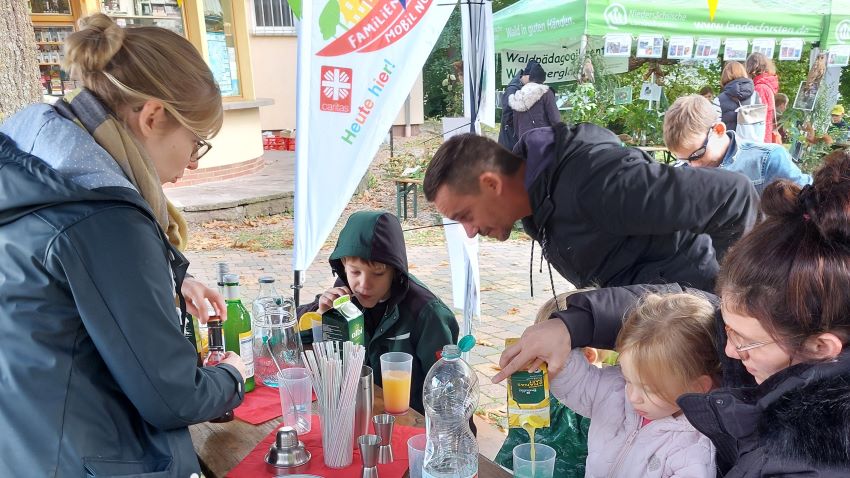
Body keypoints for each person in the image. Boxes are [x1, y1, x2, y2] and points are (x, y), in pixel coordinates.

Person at [494, 150, 850, 475]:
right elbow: (684, 307)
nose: (726, 350)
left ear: (821, 349)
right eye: (728, 328)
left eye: (745, 342)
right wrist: (572, 326)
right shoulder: (769, 336)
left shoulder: (814, 458)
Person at [0, 14, 245, 477]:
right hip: (91, 455)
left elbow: (67, 277)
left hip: (27, 443)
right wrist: (231, 375)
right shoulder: (106, 218)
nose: (192, 163)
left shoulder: (34, 158)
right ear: (153, 116)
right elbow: (174, 395)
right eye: (196, 142)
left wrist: (174, 277)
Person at [423, 124, 759, 292]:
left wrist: (729, 304)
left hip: (698, 320)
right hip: (653, 327)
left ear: (491, 184)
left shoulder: (598, 182)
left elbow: (733, 195)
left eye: (465, 216)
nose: (469, 231)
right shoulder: (538, 201)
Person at [297, 211, 458, 415]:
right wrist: (321, 315)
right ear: (343, 265)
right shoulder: (342, 295)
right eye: (355, 272)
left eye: (378, 273)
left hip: (410, 420)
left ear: (395, 272)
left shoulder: (426, 313)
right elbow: (295, 344)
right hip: (359, 410)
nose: (364, 285)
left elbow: (448, 387)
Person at [551, 293, 718, 477]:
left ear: (697, 387)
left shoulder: (692, 451)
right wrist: (553, 347)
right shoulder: (613, 391)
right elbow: (573, 381)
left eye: (649, 389)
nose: (633, 397)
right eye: (628, 379)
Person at [495, 291, 596, 478]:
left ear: (588, 357)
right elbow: (512, 455)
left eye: (543, 356)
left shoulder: (596, 408)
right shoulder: (534, 397)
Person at [664, 94, 811, 193]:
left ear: (719, 129)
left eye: (698, 154)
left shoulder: (767, 160)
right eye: (684, 160)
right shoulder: (681, 172)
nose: (693, 165)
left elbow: (810, 197)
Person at [507, 60, 561, 138]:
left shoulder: (518, 95)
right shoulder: (545, 92)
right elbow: (555, 119)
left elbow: (515, 123)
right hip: (543, 140)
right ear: (542, 79)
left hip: (523, 141)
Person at [746, 52, 780, 143]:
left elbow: (758, 119)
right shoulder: (767, 85)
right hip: (766, 136)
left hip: (760, 139)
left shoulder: (760, 88)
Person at [715, 61, 756, 133]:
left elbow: (715, 126)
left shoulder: (719, 100)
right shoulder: (756, 96)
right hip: (753, 141)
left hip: (729, 142)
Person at [498, 69, 524, 150]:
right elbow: (507, 113)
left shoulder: (518, 87)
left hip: (512, 135)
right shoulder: (513, 89)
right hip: (510, 135)